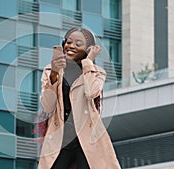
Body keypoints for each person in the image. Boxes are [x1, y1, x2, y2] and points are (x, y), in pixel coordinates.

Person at [37, 27, 121, 169]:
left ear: (88, 50)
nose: (71, 46)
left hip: (87, 138)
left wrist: (88, 62)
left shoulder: (97, 72)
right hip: (60, 138)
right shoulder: (51, 70)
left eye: (78, 44)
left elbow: (91, 92)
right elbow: (47, 106)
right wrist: (54, 75)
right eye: (69, 42)